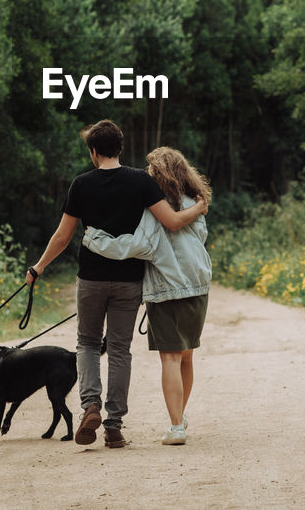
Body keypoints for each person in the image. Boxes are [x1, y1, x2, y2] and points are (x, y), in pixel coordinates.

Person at [26, 121, 206, 449]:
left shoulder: (81, 184)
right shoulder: (140, 181)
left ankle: (90, 405)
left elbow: (63, 236)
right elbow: (171, 221)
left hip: (91, 278)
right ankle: (113, 424)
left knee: (88, 344)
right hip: (128, 280)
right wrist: (200, 205)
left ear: (94, 152)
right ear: (120, 148)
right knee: (120, 350)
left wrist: (38, 267)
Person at [81, 146, 211, 447]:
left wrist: (93, 238)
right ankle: (179, 416)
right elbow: (199, 238)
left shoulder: (153, 211)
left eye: (151, 171)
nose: (147, 175)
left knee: (170, 357)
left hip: (167, 290)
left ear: (160, 174)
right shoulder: (195, 202)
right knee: (187, 355)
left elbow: (133, 246)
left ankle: (177, 426)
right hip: (199, 286)